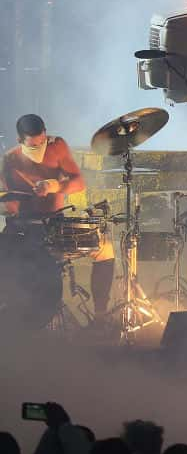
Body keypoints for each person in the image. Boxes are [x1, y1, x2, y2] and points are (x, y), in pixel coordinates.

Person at [2, 114, 115, 322]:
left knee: (104, 246)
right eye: (34, 146)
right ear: (20, 141)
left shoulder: (57, 146)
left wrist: (56, 186)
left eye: (42, 141)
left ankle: (100, 316)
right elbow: (7, 201)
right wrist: (7, 205)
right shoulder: (11, 159)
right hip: (24, 227)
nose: (40, 148)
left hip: (54, 224)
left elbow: (79, 182)